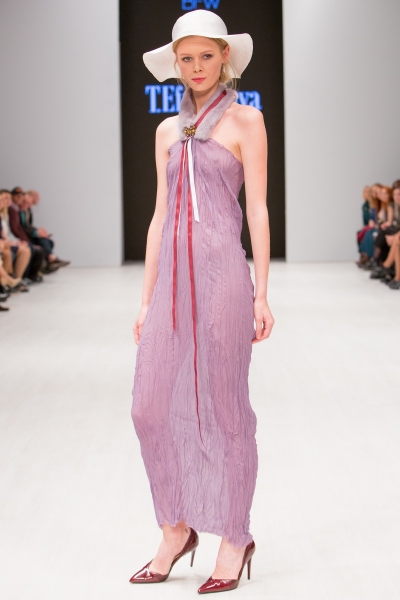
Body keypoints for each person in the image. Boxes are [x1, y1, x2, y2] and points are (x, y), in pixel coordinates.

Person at [129, 10, 274, 595]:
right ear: (176, 63)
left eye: (205, 56)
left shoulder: (246, 120)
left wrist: (262, 292)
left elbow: (257, 209)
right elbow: (159, 216)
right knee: (148, 408)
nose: (195, 68)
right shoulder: (167, 131)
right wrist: (146, 300)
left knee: (226, 410)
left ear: (224, 57)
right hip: (171, 286)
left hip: (223, 281)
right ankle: (176, 527)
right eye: (185, 58)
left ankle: (234, 537)